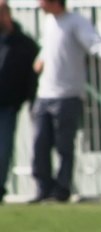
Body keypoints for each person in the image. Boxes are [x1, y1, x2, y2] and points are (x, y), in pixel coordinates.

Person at [29, 0, 101, 203]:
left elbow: (93, 41)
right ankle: (43, 188)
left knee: (64, 146)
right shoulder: (49, 22)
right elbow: (48, 46)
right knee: (40, 144)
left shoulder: (76, 21)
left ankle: (61, 190)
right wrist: (41, 59)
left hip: (68, 95)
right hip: (44, 94)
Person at [0, 0, 38, 204]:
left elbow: (31, 76)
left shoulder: (23, 44)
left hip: (7, 104)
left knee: (3, 149)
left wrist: (27, 98)